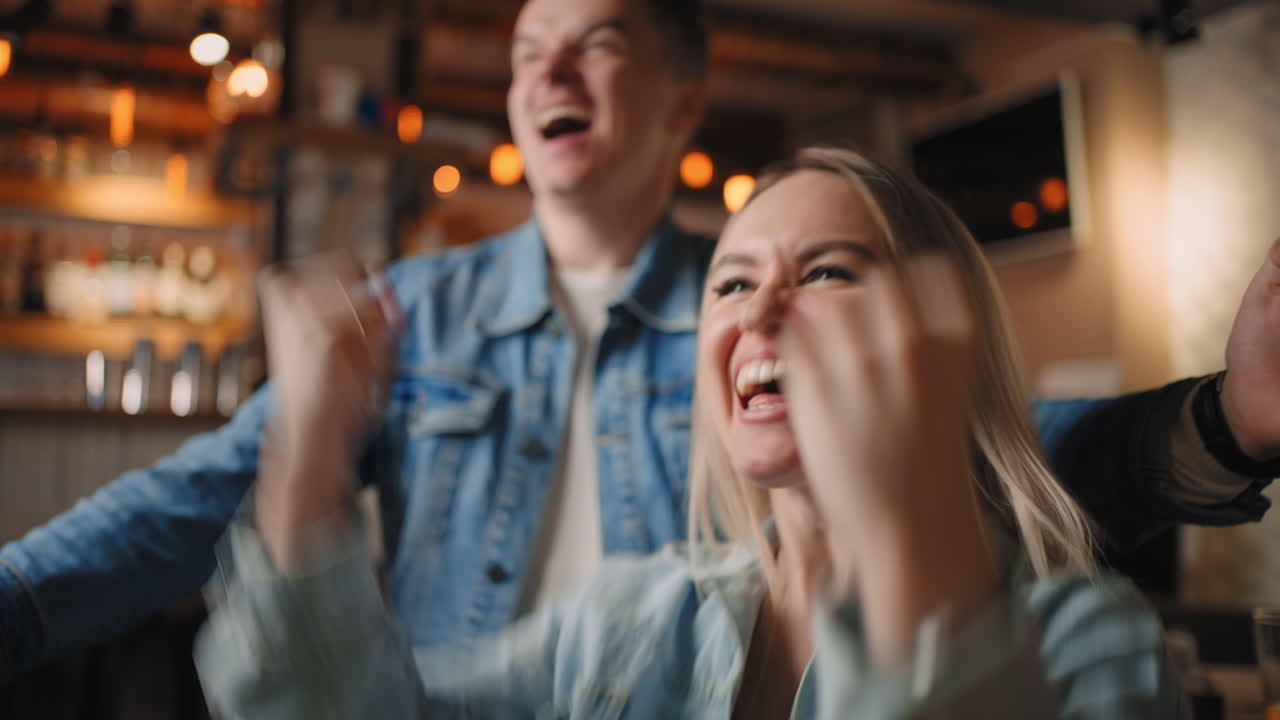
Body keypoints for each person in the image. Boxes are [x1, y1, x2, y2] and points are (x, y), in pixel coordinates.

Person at [0, 0, 1277, 683]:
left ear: (680, 101)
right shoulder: (415, 316)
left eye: (595, 42)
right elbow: (186, 508)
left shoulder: (748, 327)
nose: (548, 70)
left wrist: (1229, 421)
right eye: (524, 52)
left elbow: (1011, 443)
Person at [196, 147, 1189, 718]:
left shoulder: (1090, 647)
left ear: (936, 337)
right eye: (730, 281)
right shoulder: (632, 613)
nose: (758, 314)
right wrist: (309, 452)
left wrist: (906, 531)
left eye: (827, 272)